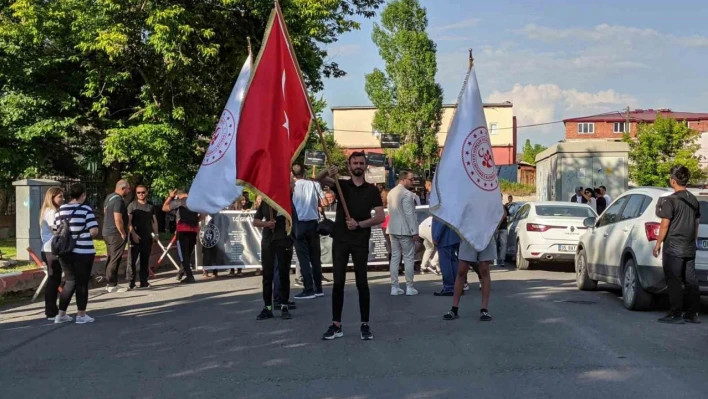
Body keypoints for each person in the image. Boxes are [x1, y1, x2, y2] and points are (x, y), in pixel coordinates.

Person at [317, 152, 385, 340]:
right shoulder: (341, 185)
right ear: (349, 165)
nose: (358, 165)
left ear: (366, 166)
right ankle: (336, 325)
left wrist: (359, 224)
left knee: (362, 283)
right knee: (338, 283)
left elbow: (380, 216)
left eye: (361, 163)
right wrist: (327, 170)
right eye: (355, 162)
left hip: (360, 241)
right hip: (340, 240)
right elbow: (318, 179)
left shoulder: (372, 190)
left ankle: (365, 324)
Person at [653, 165, 701, 324]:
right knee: (690, 280)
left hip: (673, 246)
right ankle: (692, 313)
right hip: (689, 246)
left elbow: (665, 224)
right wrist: (693, 241)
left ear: (673, 181)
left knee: (674, 280)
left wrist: (658, 243)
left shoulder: (670, 200)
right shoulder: (694, 199)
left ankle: (675, 314)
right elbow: (697, 222)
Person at [53, 184, 99, 324]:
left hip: (65, 252)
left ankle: (61, 314)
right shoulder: (86, 209)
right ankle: (81, 315)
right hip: (83, 251)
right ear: (83, 195)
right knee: (82, 283)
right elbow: (94, 231)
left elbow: (56, 230)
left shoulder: (60, 210)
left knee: (69, 281)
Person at [253, 199, 294, 320]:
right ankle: (268, 307)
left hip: (283, 240)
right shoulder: (265, 202)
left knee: (283, 274)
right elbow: (255, 221)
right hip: (268, 241)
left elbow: (293, 219)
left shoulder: (286, 200)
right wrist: (266, 224)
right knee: (267, 275)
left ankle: (284, 306)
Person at [443, 232, 496, 322]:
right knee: (462, 270)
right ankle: (454, 308)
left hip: (486, 235)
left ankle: (484, 309)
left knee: (484, 270)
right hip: (468, 235)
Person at [291, 164, 326, 300]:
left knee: (303, 258)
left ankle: (308, 288)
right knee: (315, 257)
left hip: (299, 223)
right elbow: (324, 203)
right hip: (313, 223)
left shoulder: (292, 186)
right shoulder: (314, 184)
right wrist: (313, 204)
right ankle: (319, 288)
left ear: (293, 174)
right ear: (305, 172)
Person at [387, 171, 420, 296]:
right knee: (408, 258)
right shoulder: (407, 194)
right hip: (404, 229)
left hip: (392, 228)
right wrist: (414, 231)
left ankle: (394, 287)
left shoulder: (391, 192)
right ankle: (409, 286)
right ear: (404, 179)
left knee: (395, 257)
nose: (413, 181)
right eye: (411, 179)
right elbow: (409, 214)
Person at [162, 189, 200, 284]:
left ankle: (190, 276)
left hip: (182, 230)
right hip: (193, 230)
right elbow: (204, 213)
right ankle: (181, 273)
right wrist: (196, 221)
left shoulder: (179, 201)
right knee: (188, 253)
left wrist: (170, 197)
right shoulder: (195, 202)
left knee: (183, 255)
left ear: (178, 195)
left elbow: (164, 208)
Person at [39, 187, 65, 320]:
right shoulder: (51, 212)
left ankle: (52, 309)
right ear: (52, 197)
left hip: (50, 249)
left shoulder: (51, 211)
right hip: (51, 249)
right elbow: (55, 230)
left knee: (54, 280)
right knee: (53, 280)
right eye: (60, 196)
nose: (63, 199)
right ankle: (50, 311)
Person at [127, 185, 159, 289]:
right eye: (138, 192)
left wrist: (156, 234)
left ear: (147, 192)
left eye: (143, 192)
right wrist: (133, 234)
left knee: (145, 259)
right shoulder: (132, 205)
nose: (141, 194)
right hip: (135, 236)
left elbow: (154, 221)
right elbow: (129, 221)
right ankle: (131, 282)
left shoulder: (150, 206)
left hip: (147, 236)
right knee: (132, 260)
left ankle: (144, 281)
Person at [102, 180, 131, 293]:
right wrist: (122, 232)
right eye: (128, 189)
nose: (129, 191)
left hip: (107, 232)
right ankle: (111, 284)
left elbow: (105, 211)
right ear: (122, 188)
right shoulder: (119, 200)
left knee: (110, 257)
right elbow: (117, 218)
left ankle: (111, 283)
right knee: (115, 258)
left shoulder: (109, 197)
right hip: (115, 233)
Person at [432, 218, 460, 296]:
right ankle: (458, 286)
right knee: (453, 261)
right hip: (453, 236)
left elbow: (440, 221)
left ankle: (449, 287)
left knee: (445, 263)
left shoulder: (440, 206)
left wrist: (436, 237)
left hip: (444, 238)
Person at [495, 194, 509, 266]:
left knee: (495, 244)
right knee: (503, 244)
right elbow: (507, 216)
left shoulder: (494, 207)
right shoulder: (504, 207)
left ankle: (495, 260)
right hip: (503, 228)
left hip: (495, 228)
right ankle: (502, 260)